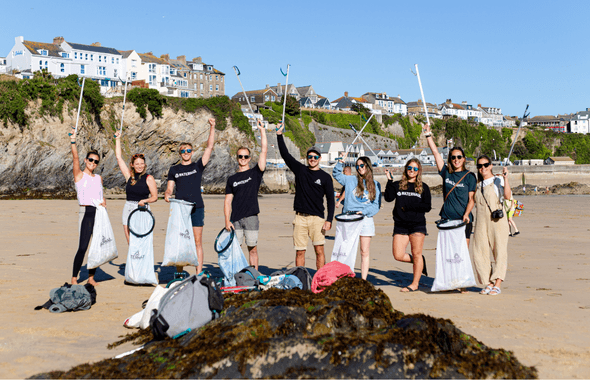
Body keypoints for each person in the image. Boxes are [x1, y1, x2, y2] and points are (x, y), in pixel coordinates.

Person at [276, 123, 335, 269]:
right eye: (310, 156)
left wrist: (329, 220)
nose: (312, 159)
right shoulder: (300, 170)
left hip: (317, 219)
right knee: (299, 252)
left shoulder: (325, 177)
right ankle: (301, 277)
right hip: (300, 218)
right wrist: (279, 135)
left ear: (320, 158)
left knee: (319, 251)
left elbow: (330, 200)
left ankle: (320, 279)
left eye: (315, 157)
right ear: (307, 158)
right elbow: (286, 155)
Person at [164, 118, 216, 276]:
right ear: (179, 154)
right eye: (183, 151)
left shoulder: (197, 166)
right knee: (180, 241)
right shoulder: (174, 169)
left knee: (197, 241)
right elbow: (170, 188)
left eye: (188, 151)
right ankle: (179, 273)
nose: (186, 153)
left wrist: (212, 127)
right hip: (180, 209)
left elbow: (209, 147)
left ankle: (198, 273)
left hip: (197, 207)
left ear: (192, 152)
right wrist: (167, 194)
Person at [224, 119, 267, 270]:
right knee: (236, 249)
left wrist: (262, 130)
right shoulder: (232, 179)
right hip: (235, 218)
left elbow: (264, 151)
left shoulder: (255, 173)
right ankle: (238, 275)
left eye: (246, 156)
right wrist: (227, 220)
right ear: (237, 158)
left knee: (252, 249)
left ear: (250, 158)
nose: (243, 159)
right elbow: (227, 202)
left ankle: (254, 276)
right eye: (240, 156)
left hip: (251, 217)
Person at [424, 124, 476, 246]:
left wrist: (467, 214)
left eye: (459, 157)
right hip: (447, 218)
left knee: (462, 254)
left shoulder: (469, 176)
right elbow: (436, 153)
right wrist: (428, 135)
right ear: (450, 160)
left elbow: (471, 199)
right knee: (448, 254)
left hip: (464, 219)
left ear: (463, 159)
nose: (456, 159)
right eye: (453, 157)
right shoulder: (446, 173)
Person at [384, 159, 432, 292]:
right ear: (406, 169)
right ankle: (420, 261)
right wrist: (389, 180)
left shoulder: (424, 187)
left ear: (419, 171)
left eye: (415, 169)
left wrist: (410, 206)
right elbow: (388, 198)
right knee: (398, 255)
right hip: (400, 225)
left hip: (417, 225)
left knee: (416, 253)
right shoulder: (398, 185)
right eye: (410, 168)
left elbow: (427, 207)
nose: (412, 170)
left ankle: (414, 284)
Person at [332, 152, 381, 280]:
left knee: (364, 251)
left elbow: (376, 205)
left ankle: (363, 279)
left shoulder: (375, 185)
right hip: (349, 219)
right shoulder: (350, 180)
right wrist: (340, 161)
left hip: (365, 220)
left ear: (368, 166)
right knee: (346, 250)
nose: (359, 168)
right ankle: (345, 276)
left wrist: (363, 212)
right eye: (357, 166)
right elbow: (336, 174)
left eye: (362, 165)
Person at [69, 127, 105, 286]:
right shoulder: (79, 175)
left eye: (96, 161)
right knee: (83, 246)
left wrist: (104, 203)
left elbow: (101, 197)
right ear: (86, 160)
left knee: (96, 247)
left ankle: (91, 277)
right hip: (85, 212)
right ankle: (74, 278)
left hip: (98, 213)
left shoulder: (99, 178)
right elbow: (75, 158)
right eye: (90, 160)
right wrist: (73, 141)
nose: (93, 163)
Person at [472, 155, 511, 296]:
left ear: (491, 165)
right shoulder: (477, 184)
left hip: (497, 221)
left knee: (499, 251)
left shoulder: (497, 180)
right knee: (478, 251)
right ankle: (488, 282)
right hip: (481, 220)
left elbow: (507, 196)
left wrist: (506, 179)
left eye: (485, 165)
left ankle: (498, 283)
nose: (483, 168)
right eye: (480, 166)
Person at [114, 131, 158, 244]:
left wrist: (145, 200)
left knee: (142, 239)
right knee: (129, 238)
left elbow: (155, 197)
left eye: (142, 163)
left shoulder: (149, 178)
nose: (139, 166)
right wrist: (117, 139)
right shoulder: (129, 176)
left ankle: (143, 260)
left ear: (145, 165)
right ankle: (133, 259)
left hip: (142, 209)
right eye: (137, 164)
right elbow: (119, 158)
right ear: (132, 165)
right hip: (128, 207)